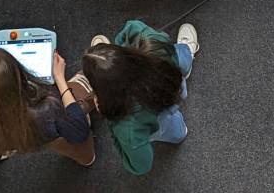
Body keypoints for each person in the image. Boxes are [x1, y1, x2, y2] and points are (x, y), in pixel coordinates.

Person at [79, 20, 198, 176]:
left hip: (156, 119)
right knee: (180, 54)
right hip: (172, 81)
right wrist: (112, 61)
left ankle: (180, 133)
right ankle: (188, 53)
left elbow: (141, 166)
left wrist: (115, 132)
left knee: (167, 128)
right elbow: (132, 26)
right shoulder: (151, 43)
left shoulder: (125, 124)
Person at [0, 47, 96, 167]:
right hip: (58, 127)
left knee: (60, 144)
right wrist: (60, 78)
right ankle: (86, 154)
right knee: (75, 122)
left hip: (33, 139)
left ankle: (85, 158)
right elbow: (79, 132)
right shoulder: (47, 108)